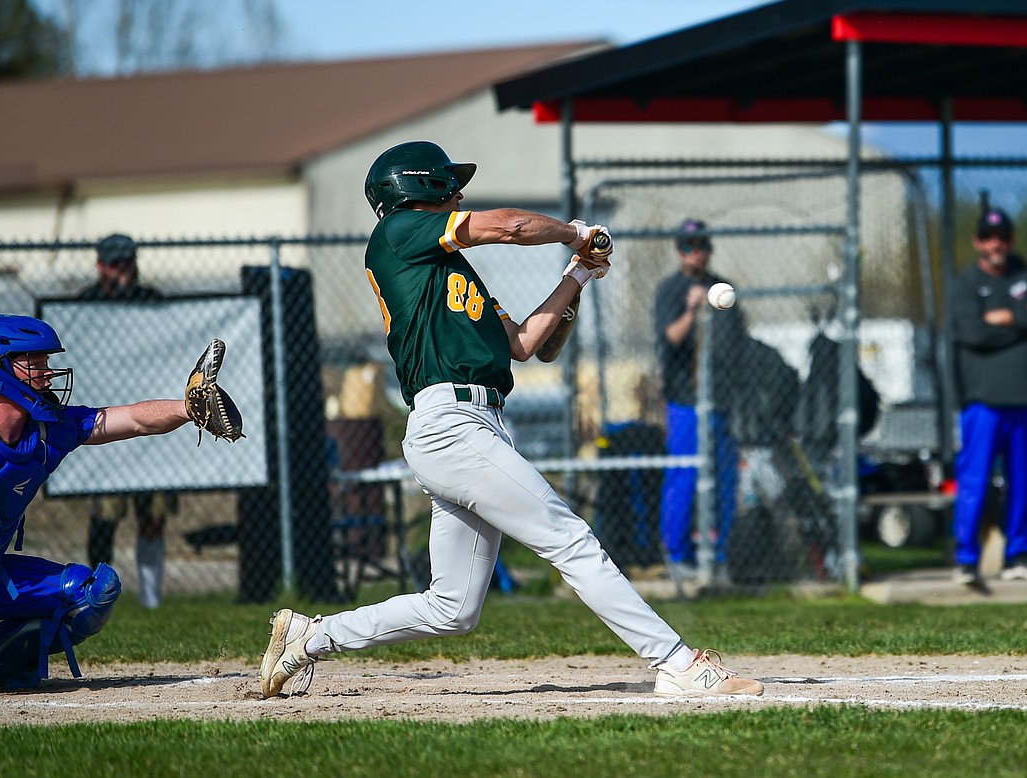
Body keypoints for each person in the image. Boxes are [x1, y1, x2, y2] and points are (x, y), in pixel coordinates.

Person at [259, 140, 764, 700]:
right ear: (418, 187)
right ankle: (677, 663)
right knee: (569, 538)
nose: (458, 193)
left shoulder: (450, 273)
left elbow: (524, 344)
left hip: (474, 424)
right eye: (449, 183)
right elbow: (511, 226)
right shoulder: (399, 232)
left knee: (452, 608)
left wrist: (578, 274)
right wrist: (574, 232)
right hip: (450, 422)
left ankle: (309, 637)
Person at [0, 314, 195, 688]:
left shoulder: (48, 430)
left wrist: (188, 409)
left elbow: (131, 420)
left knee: (90, 595)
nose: (47, 375)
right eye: (35, 363)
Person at [950, 208, 1027, 585]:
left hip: (1025, 400)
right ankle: (966, 558)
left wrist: (1003, 317)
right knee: (975, 480)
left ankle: (1020, 556)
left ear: (1010, 240)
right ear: (978, 241)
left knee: (1022, 480)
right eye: (988, 237)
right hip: (983, 402)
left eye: (1002, 237)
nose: (996, 244)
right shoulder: (967, 284)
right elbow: (973, 334)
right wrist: (1023, 320)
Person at [77, 233, 177, 609]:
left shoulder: (151, 301)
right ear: (101, 266)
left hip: (149, 426)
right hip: (109, 423)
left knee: (153, 514)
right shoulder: (85, 304)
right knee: (105, 516)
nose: (125, 271)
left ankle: (152, 601)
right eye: (116, 263)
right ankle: (95, 595)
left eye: (129, 262)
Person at [653, 219, 750, 577]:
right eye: (691, 247)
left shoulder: (723, 287)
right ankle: (677, 555)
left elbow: (738, 343)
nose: (698, 253)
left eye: (703, 246)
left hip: (723, 398)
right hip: (685, 399)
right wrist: (692, 310)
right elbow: (671, 339)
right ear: (680, 251)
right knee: (685, 474)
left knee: (725, 477)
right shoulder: (671, 289)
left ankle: (722, 555)